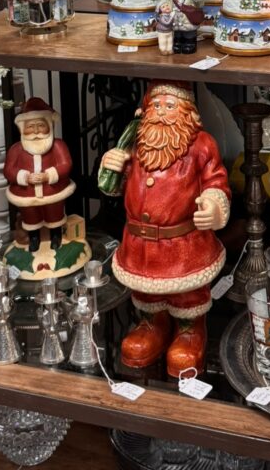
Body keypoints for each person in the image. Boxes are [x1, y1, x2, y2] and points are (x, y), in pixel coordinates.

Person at [99, 81, 230, 376]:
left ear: (187, 112)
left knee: (188, 296)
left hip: (183, 245)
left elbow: (216, 181)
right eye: (156, 106)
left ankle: (189, 329)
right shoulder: (137, 142)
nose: (161, 112)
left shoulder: (202, 145)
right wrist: (112, 167)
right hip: (141, 245)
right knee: (147, 295)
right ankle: (151, 324)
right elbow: (117, 185)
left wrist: (213, 205)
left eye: (170, 106)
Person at [4, 97, 76, 252]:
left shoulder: (58, 146)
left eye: (41, 126)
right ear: (23, 128)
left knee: (54, 214)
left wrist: (48, 175)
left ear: (49, 126)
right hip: (26, 194)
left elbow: (66, 164)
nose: (36, 131)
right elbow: (9, 171)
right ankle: (34, 238)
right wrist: (24, 176)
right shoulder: (16, 150)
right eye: (31, 126)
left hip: (53, 192)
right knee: (31, 217)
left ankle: (55, 236)